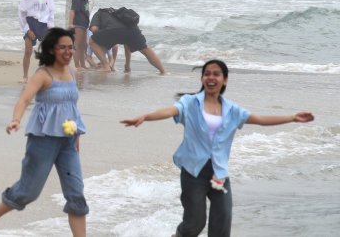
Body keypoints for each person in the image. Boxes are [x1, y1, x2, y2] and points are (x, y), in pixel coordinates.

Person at [120, 60, 315, 237]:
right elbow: (171, 110)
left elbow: (261, 120)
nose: (211, 77)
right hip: (193, 172)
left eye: (216, 74)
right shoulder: (190, 103)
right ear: (202, 78)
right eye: (207, 74)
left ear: (225, 80)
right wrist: (146, 116)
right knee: (194, 225)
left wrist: (292, 117)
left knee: (222, 225)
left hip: (219, 174)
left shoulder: (233, 110)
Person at [0, 27, 88, 237]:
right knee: (28, 192)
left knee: (76, 194)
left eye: (71, 48)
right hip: (43, 141)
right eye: (63, 48)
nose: (68, 52)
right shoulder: (43, 75)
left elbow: (71, 107)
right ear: (52, 50)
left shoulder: (71, 71)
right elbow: (24, 99)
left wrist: (77, 134)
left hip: (68, 141)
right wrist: (15, 120)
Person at [88, 7, 166, 74]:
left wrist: (104, 40)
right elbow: (127, 43)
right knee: (145, 49)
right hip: (133, 30)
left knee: (92, 40)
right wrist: (127, 65)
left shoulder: (98, 13)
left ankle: (105, 66)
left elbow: (94, 29)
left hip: (112, 30)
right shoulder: (117, 14)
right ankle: (163, 71)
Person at [18, 0, 54, 83]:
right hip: (31, 23)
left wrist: (50, 26)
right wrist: (27, 30)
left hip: (44, 24)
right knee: (28, 50)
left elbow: (51, 10)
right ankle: (25, 76)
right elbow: (21, 15)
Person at [69, 0, 97, 70]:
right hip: (77, 24)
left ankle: (83, 64)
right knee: (76, 45)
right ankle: (77, 65)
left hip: (84, 25)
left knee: (84, 46)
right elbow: (72, 11)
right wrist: (70, 23)